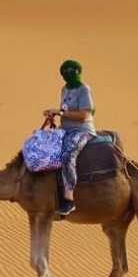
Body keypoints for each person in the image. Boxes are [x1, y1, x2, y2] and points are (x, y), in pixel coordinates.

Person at [43, 60, 95, 217]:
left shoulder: (84, 89)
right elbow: (64, 111)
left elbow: (85, 115)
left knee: (67, 155)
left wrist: (59, 113)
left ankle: (69, 199)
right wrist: (52, 116)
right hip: (65, 130)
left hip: (82, 131)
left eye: (70, 72)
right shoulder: (65, 89)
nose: (67, 75)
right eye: (64, 72)